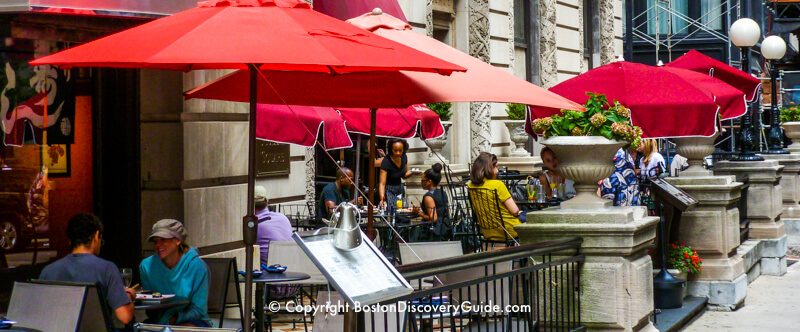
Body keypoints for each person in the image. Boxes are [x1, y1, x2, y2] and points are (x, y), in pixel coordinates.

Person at [39, 213, 136, 326]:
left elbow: (40, 314)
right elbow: (125, 317)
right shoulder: (106, 269)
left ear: (70, 240)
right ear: (96, 236)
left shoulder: (48, 271)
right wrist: (128, 295)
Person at [139, 219, 212, 327]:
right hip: (159, 321)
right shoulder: (146, 267)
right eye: (155, 241)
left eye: (163, 239)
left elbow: (199, 310)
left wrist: (172, 320)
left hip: (192, 321)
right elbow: (150, 308)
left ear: (178, 241)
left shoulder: (197, 267)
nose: (158, 245)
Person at [467, 152, 526, 242]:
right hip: (509, 229)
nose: (497, 171)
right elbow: (514, 211)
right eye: (495, 167)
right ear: (489, 168)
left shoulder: (471, 186)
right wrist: (519, 212)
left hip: (487, 231)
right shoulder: (497, 185)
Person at [253, 186, 298, 299]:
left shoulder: (253, 226)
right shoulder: (283, 218)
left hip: (270, 287)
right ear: (267, 202)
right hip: (294, 283)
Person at [378, 138, 420, 211]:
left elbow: (404, 175)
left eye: (400, 150)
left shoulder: (404, 157)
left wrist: (412, 173)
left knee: (402, 210)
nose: (398, 153)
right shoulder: (386, 161)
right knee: (392, 210)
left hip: (400, 188)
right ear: (391, 149)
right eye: (395, 150)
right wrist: (382, 199)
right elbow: (382, 183)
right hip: (389, 189)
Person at [412, 163, 450, 239]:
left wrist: (418, 212)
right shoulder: (442, 192)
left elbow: (433, 218)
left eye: (423, 180)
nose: (421, 183)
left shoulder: (428, 197)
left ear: (429, 182)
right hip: (445, 227)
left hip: (435, 231)